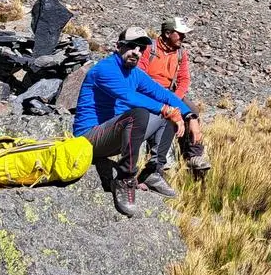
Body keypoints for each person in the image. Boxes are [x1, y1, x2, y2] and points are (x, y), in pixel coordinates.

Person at [73, 26, 202, 217]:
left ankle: (153, 171)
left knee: (165, 111)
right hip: (89, 138)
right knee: (141, 113)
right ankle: (125, 179)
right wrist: (166, 109)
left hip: (112, 136)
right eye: (131, 46)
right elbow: (128, 97)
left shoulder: (135, 73)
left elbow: (163, 93)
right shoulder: (105, 69)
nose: (137, 52)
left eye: (141, 48)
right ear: (118, 46)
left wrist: (190, 116)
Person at [138, 15, 211, 174]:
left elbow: (184, 80)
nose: (183, 37)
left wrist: (175, 98)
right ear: (167, 33)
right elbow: (139, 77)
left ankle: (193, 156)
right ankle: (156, 161)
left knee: (192, 110)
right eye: (179, 34)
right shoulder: (149, 48)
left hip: (171, 93)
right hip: (149, 93)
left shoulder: (181, 53)